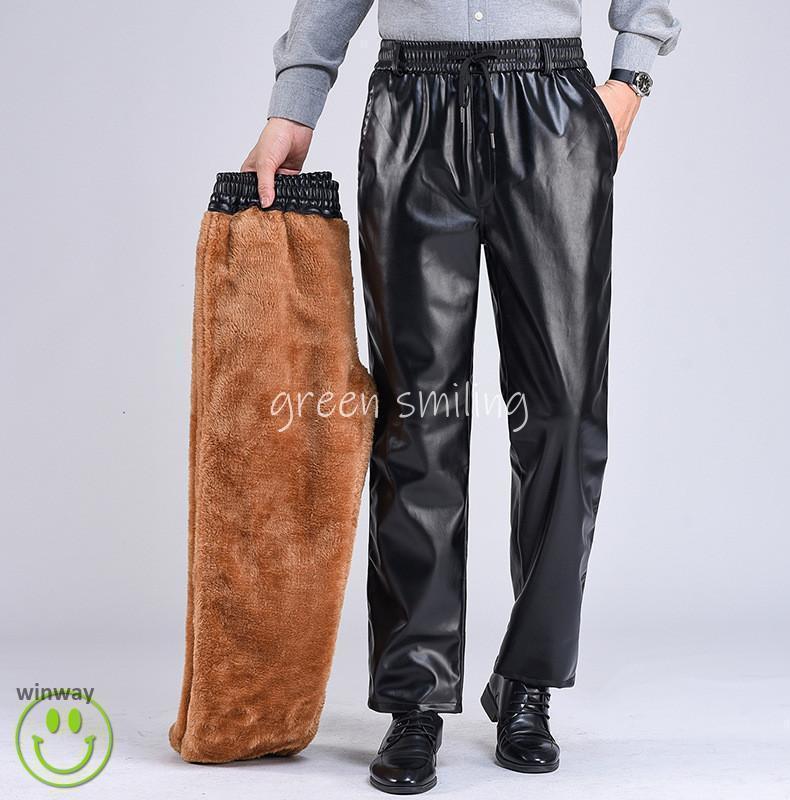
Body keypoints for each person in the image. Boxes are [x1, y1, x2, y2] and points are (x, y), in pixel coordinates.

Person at [243, 1, 680, 793]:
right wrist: (294, 103)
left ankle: (529, 679)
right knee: (418, 418)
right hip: (413, 107)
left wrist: (631, 76)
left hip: (549, 106)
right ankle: (414, 696)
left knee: (567, 414)